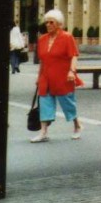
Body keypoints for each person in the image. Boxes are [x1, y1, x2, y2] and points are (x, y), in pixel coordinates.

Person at [31, 8, 82, 142]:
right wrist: (38, 77)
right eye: (46, 22)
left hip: (63, 77)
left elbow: (74, 56)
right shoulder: (42, 39)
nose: (48, 25)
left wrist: (72, 71)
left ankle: (77, 125)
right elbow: (43, 60)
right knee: (45, 103)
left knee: (68, 104)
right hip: (45, 77)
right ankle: (43, 132)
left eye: (51, 22)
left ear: (59, 24)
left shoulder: (67, 37)